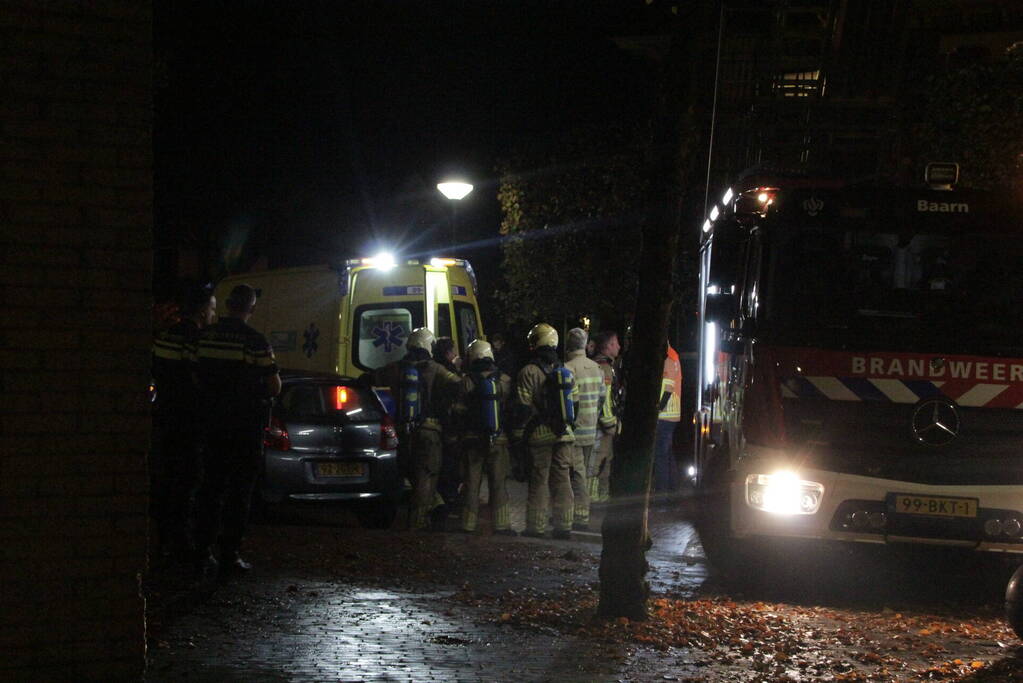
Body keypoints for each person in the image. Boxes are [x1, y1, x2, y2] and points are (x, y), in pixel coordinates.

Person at [193, 284, 281, 579]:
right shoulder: (255, 341)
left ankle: (200, 551)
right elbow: (274, 385)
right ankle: (229, 554)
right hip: (245, 427)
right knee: (239, 494)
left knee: (210, 489)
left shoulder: (205, 336)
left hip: (210, 424)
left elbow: (193, 372)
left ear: (228, 304)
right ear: (251, 309)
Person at [151, 282, 216, 561]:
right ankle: (183, 543)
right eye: (212, 308)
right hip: (190, 422)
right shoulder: (197, 340)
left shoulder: (164, 337)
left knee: (165, 479)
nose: (214, 314)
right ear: (202, 311)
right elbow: (200, 380)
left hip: (164, 417)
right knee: (189, 481)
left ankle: (162, 539)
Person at [376, 327, 461, 531]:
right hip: (429, 431)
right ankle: (418, 522)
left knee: (411, 472)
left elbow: (370, 378)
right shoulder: (435, 369)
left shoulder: (394, 368)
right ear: (429, 346)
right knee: (426, 475)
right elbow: (460, 385)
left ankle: (435, 505)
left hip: (401, 432)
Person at [511, 323, 578, 539]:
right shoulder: (566, 372)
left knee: (539, 481)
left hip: (539, 435)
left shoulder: (528, 372)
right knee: (562, 481)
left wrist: (519, 436)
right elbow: (573, 405)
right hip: (565, 434)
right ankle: (564, 527)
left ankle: (536, 528)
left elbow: (522, 407)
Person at [454, 340, 515, 535]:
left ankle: (467, 524)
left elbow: (457, 409)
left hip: (472, 440)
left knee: (472, 483)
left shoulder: (466, 381)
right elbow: (510, 410)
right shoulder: (504, 380)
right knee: (498, 483)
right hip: (499, 439)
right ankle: (502, 525)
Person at [562, 328, 603, 531]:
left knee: (576, 474)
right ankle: (580, 515)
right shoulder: (596, 368)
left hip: (575, 431)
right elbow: (602, 398)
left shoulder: (568, 368)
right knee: (584, 472)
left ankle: (580, 516)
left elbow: (568, 402)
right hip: (591, 428)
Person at [433, 336, 463, 524]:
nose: (455, 354)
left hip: (433, 424)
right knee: (450, 466)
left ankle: (439, 502)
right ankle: (447, 502)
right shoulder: (448, 371)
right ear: (447, 353)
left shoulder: (430, 367)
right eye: (453, 350)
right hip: (449, 426)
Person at [590, 331, 621, 503]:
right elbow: (606, 400)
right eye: (615, 343)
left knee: (604, 460)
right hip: (601, 427)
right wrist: (610, 424)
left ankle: (601, 497)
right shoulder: (605, 368)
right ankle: (594, 499)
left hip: (597, 424)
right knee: (599, 461)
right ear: (608, 346)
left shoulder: (602, 365)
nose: (619, 346)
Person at [653, 341, 683, 496]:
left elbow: (668, 388)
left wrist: (657, 408)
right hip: (671, 414)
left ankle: (661, 493)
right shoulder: (672, 356)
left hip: (665, 414)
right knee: (667, 453)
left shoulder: (669, 359)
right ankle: (672, 489)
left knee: (661, 455)